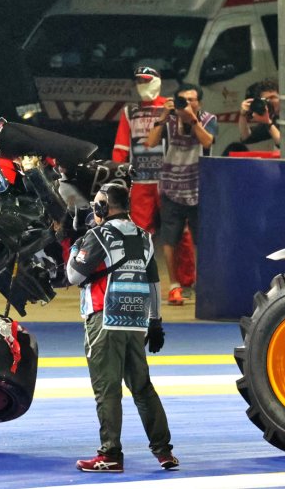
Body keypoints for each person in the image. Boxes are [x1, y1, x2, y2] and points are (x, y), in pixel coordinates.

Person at [60, 183, 177, 473]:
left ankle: (110, 454)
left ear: (102, 208)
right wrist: (156, 322)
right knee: (142, 387)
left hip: (104, 319)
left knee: (107, 389)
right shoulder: (145, 237)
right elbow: (154, 283)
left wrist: (77, 243)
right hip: (136, 322)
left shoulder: (98, 236)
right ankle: (163, 451)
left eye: (97, 205)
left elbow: (73, 275)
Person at [112, 66, 197, 300]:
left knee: (180, 232)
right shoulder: (130, 111)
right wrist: (117, 178)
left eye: (147, 81)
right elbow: (121, 147)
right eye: (138, 81)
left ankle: (187, 281)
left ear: (158, 82)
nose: (142, 85)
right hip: (141, 181)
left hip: (170, 180)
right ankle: (137, 278)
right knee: (137, 233)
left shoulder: (170, 108)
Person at [144, 84, 217, 306]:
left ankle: (202, 282)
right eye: (183, 100)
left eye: (192, 100)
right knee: (169, 239)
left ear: (199, 103)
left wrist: (192, 119)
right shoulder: (170, 119)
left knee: (201, 239)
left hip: (198, 187)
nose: (187, 103)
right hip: (171, 188)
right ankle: (174, 285)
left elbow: (207, 141)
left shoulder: (207, 118)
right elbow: (150, 143)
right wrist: (163, 117)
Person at [236, 79, 281, 149]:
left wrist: (268, 123)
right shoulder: (271, 120)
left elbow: (283, 144)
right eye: (266, 99)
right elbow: (246, 137)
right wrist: (243, 115)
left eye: (272, 97)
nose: (269, 101)